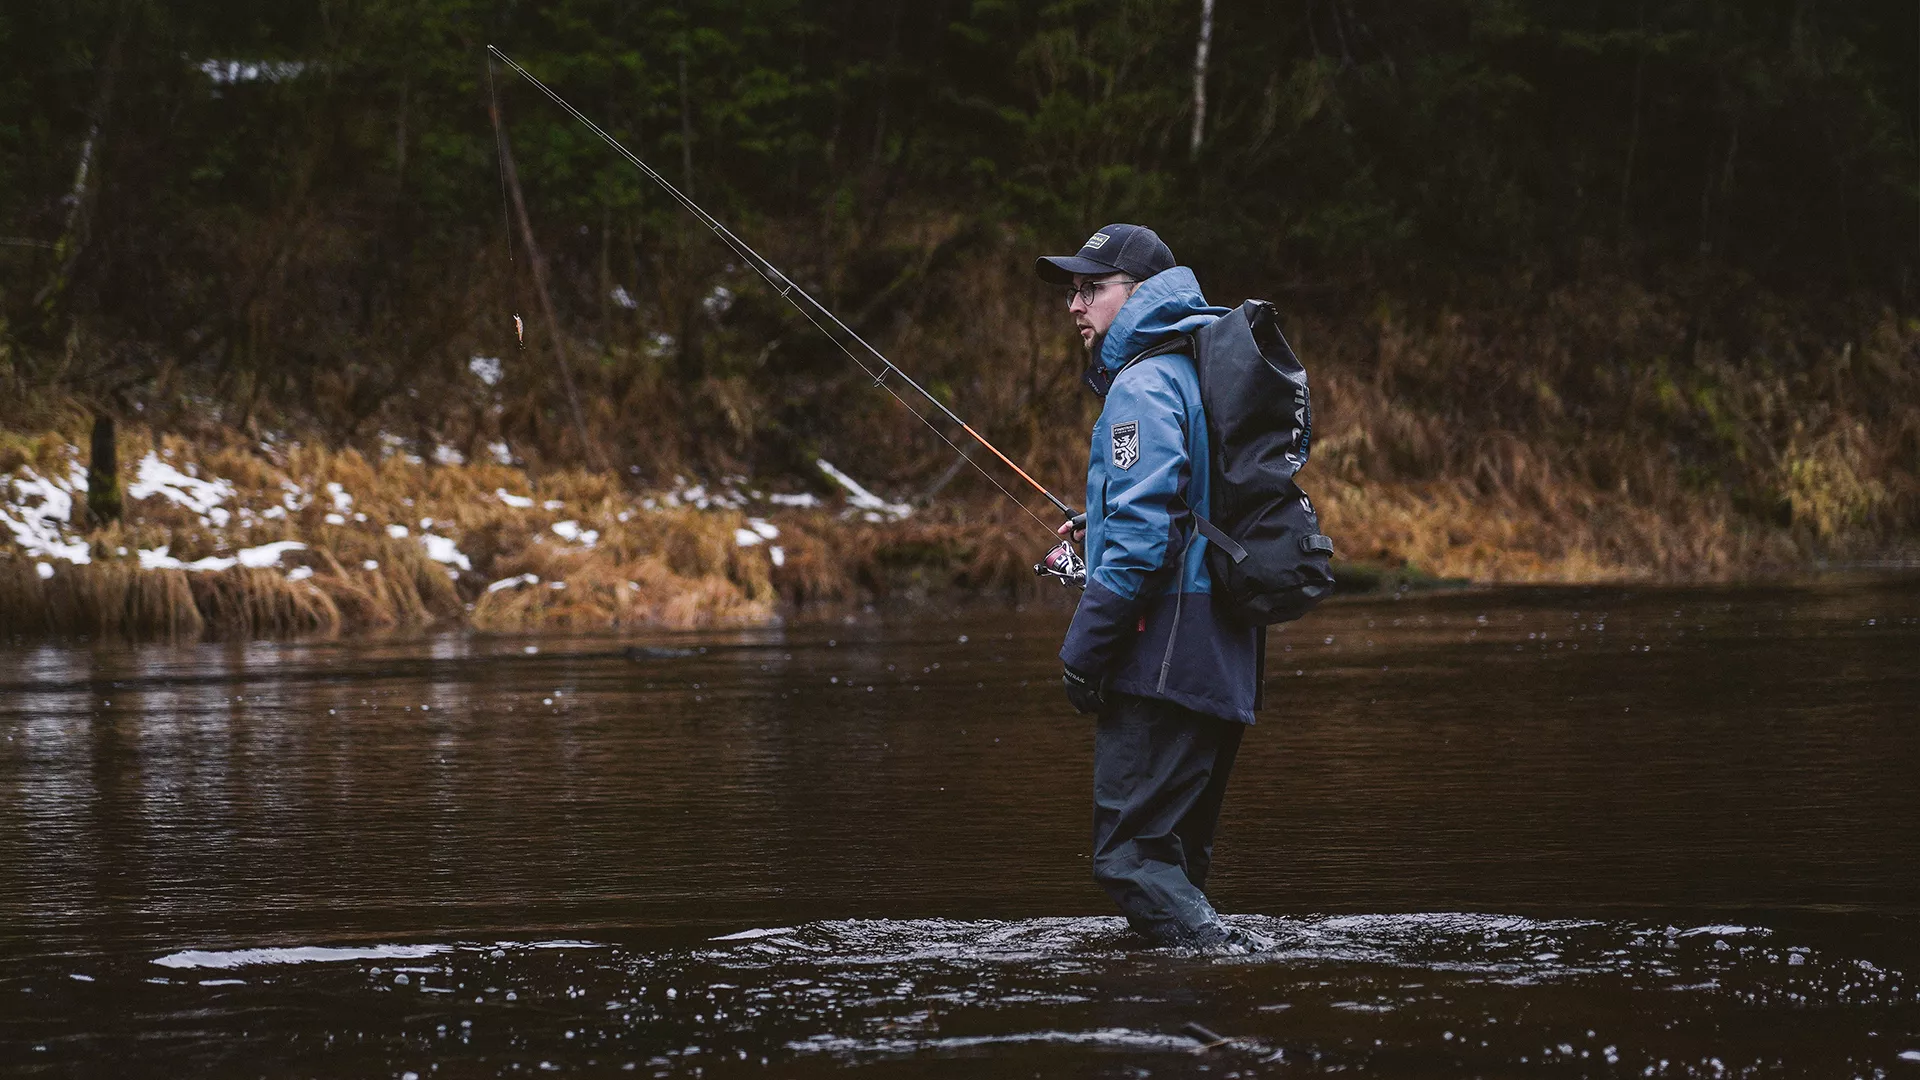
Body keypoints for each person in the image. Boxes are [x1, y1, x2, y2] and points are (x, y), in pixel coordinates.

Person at [1035, 223, 1266, 951]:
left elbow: (1141, 542)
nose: (1075, 304)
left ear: (1137, 295)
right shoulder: (1197, 369)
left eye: (1090, 288)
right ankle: (1194, 1028)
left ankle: (1224, 969)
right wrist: (1094, 522)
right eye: (1072, 289)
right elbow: (1180, 506)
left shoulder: (1141, 382)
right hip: (1223, 658)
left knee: (1132, 857)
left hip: (1165, 660)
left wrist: (1083, 654)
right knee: (1174, 866)